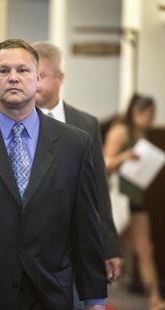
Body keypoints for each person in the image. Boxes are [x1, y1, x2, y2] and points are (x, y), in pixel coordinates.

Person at [0, 39, 107, 310]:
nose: (13, 77)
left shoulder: (74, 144)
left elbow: (85, 227)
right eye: (3, 71)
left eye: (23, 70)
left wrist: (95, 299)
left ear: (38, 78)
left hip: (50, 291)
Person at [32, 41, 122, 308]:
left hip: (74, 243)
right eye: (30, 75)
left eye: (41, 76)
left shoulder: (85, 124)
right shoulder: (18, 120)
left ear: (59, 78)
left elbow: (98, 190)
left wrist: (109, 246)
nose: (34, 83)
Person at [103, 94, 165, 310]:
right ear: (135, 112)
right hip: (118, 197)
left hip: (135, 197)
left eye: (153, 114)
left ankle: (155, 299)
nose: (151, 118)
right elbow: (104, 163)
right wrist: (125, 157)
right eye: (147, 114)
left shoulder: (141, 133)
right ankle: (95, 297)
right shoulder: (120, 131)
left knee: (145, 248)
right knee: (111, 250)